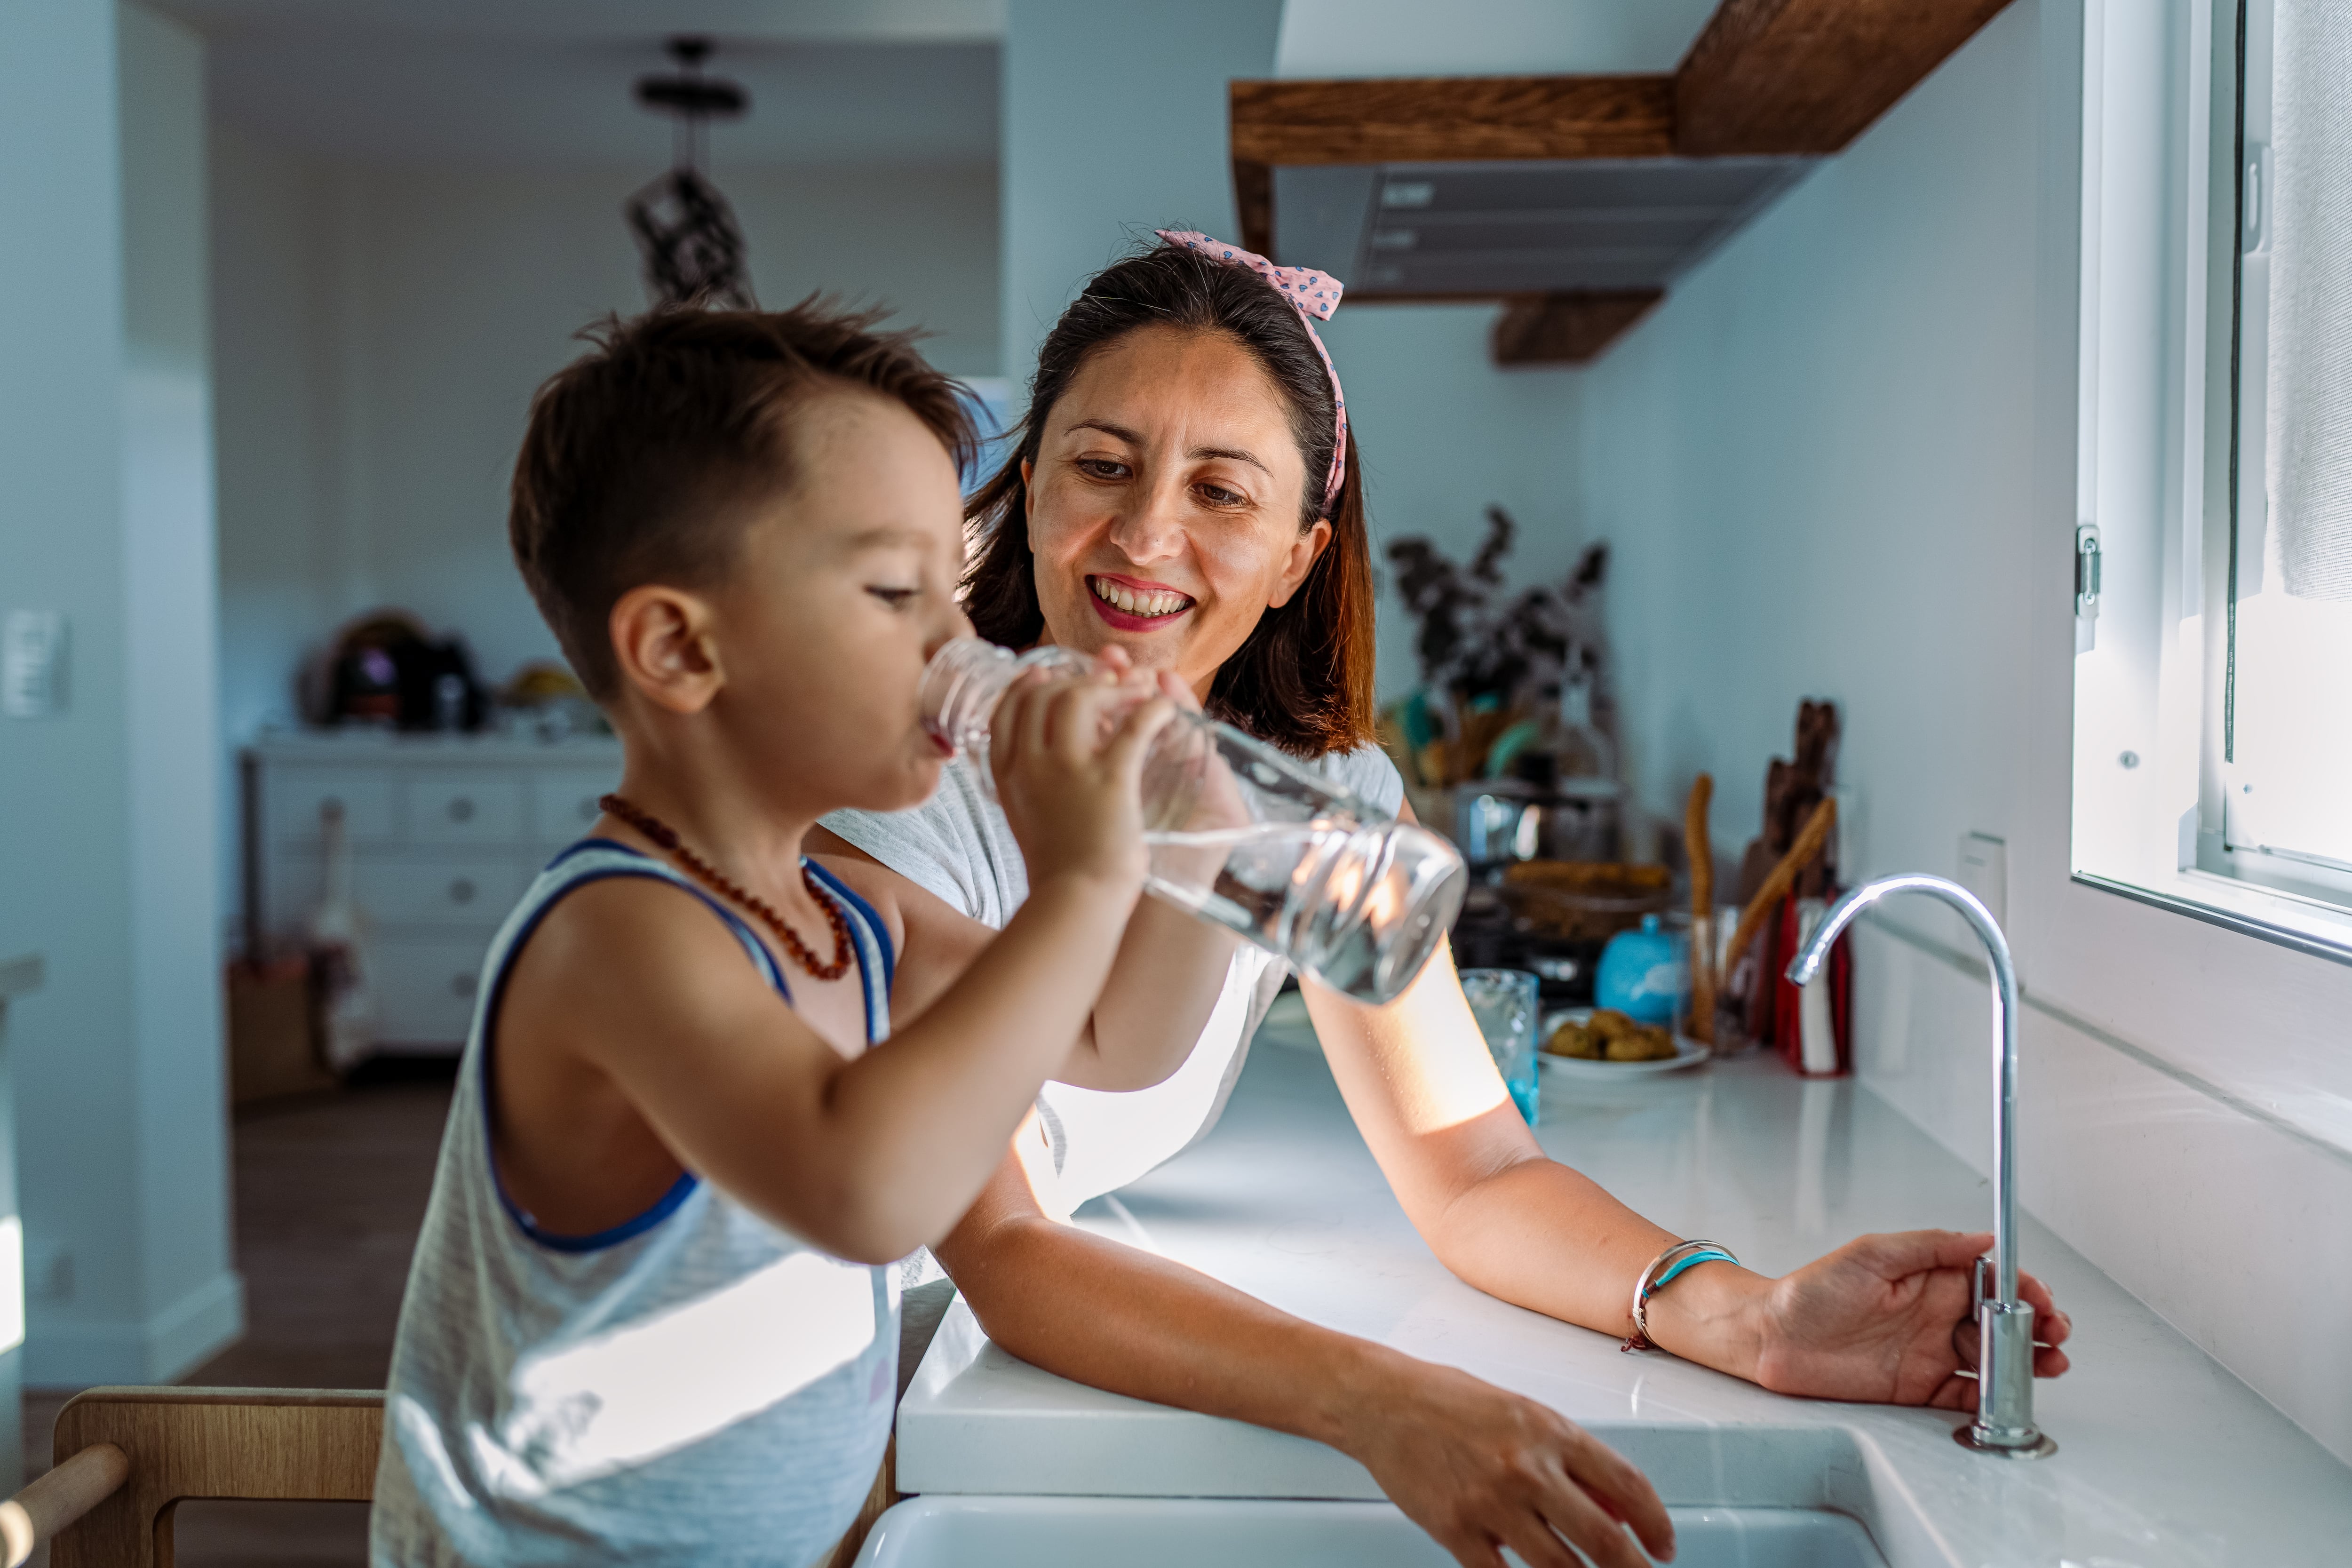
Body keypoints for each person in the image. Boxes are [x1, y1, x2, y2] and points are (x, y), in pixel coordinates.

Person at [815, 234, 2073, 1568]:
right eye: (1103, 464)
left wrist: (1749, 1318)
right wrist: (1379, 1399)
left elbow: (1474, 1170)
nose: (1145, 534)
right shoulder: (904, 790)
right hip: (818, 1407)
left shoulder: (1318, 795)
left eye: (1222, 491)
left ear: (1302, 557)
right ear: (1028, 484)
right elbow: (1004, 1249)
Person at [368, 302, 1263, 1567]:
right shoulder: (618, 934)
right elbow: (868, 1191)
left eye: (951, 589)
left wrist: (1195, 853)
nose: (960, 642)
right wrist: (1080, 881)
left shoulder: (856, 916)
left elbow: (1121, 1040)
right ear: (681, 648)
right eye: (898, 591)